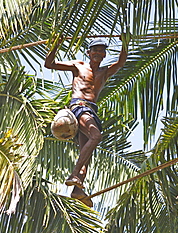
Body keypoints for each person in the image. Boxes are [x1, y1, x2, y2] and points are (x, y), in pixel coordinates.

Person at [45, 34, 129, 207]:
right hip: (79, 107)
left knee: (87, 152)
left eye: (102, 51)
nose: (99, 53)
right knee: (96, 136)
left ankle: (77, 189)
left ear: (105, 54)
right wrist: (56, 45)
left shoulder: (104, 72)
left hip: (91, 110)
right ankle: (74, 175)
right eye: (96, 50)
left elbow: (121, 63)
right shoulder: (79, 66)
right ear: (88, 52)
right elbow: (49, 64)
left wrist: (125, 43)